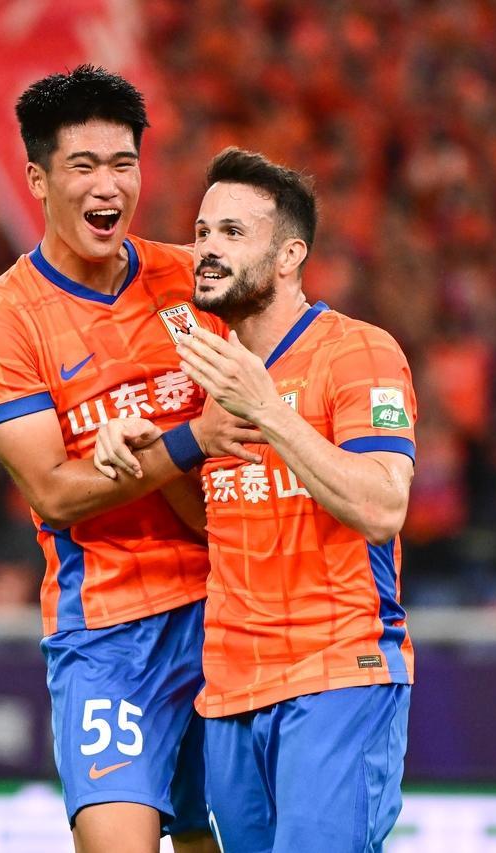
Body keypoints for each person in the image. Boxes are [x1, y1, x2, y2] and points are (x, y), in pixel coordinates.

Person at [0, 66, 258, 853]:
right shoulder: (2, 320)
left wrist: (176, 448)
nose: (108, 185)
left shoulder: (193, 280)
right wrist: (184, 440)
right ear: (38, 179)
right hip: (109, 631)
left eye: (123, 163)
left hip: (227, 609)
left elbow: (259, 422)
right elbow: (54, 491)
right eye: (84, 165)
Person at [94, 147, 417, 852]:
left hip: (337, 672)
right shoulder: (209, 377)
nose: (207, 249)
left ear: (289, 255)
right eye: (203, 231)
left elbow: (383, 507)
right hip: (231, 688)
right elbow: (216, 520)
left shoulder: (358, 353)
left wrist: (268, 409)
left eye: (233, 233)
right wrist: (153, 450)